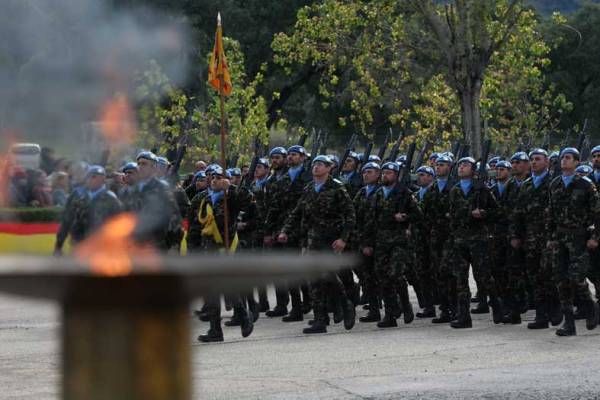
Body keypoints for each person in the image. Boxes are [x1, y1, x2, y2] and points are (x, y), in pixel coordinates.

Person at [278, 155, 356, 334]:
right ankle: (320, 319)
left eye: (320, 165)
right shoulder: (308, 188)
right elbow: (297, 212)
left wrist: (343, 239)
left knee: (328, 274)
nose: (316, 167)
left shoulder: (337, 188)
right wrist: (285, 231)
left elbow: (351, 215)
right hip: (313, 239)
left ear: (330, 168)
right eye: (314, 164)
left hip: (331, 239)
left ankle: (345, 303)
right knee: (314, 279)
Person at [546, 147, 600, 336]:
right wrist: (551, 237)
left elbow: (597, 214)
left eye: (568, 158)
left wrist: (595, 237)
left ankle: (591, 306)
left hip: (579, 237)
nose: (564, 161)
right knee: (561, 280)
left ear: (577, 162)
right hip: (561, 238)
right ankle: (569, 323)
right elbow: (551, 214)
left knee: (577, 278)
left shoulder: (586, 185)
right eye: (562, 158)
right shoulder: (555, 184)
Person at [362, 161, 422, 328]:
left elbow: (418, 216)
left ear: (396, 175)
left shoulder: (405, 194)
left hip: (399, 241)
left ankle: (405, 303)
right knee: (383, 278)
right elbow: (370, 221)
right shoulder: (378, 194)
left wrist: (405, 218)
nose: (385, 176)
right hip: (381, 242)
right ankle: (390, 314)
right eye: (383, 173)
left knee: (395, 274)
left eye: (388, 173)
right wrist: (367, 243)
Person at [510, 149, 562, 329]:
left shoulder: (554, 183)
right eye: (532, 159)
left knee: (550, 275)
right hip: (531, 239)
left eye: (538, 159)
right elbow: (518, 212)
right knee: (535, 277)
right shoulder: (526, 185)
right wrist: (516, 235)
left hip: (549, 238)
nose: (534, 162)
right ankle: (541, 315)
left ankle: (556, 308)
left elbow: (560, 211)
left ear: (547, 162)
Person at [447, 157, 502, 329]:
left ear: (474, 170)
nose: (461, 167)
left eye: (465, 165)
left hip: (478, 239)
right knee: (460, 279)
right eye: (460, 165)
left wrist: (483, 213)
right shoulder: (455, 190)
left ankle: (497, 306)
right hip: (460, 240)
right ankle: (464, 317)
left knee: (484, 277)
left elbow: (497, 212)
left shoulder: (483, 190)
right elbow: (451, 214)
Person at [353, 161, 381, 323]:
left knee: (383, 277)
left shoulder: (381, 192)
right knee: (367, 277)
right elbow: (354, 215)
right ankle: (374, 309)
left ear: (378, 174)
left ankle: (397, 307)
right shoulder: (362, 192)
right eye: (364, 172)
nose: (366, 175)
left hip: (380, 241)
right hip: (363, 240)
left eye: (370, 172)